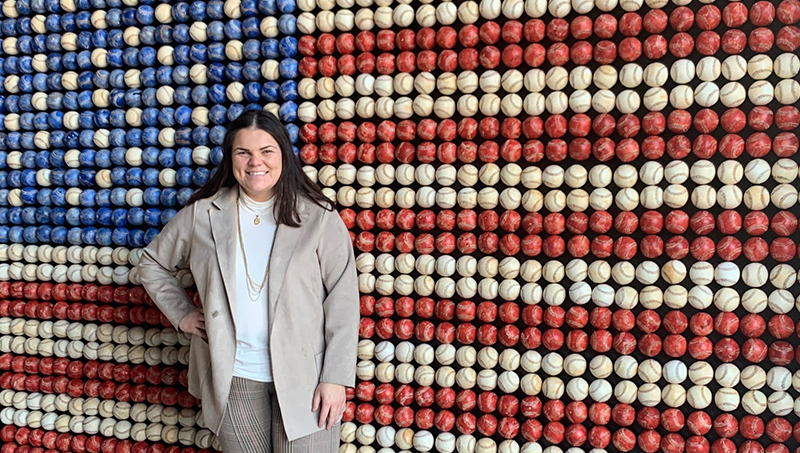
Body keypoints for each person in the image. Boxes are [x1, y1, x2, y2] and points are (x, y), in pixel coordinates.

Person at [137, 110, 360, 453]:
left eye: (267, 151)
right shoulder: (204, 214)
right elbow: (152, 262)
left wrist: (335, 377)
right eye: (244, 153)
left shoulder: (318, 216)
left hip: (306, 376)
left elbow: (343, 301)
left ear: (283, 153)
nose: (256, 162)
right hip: (234, 375)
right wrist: (181, 314)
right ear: (231, 158)